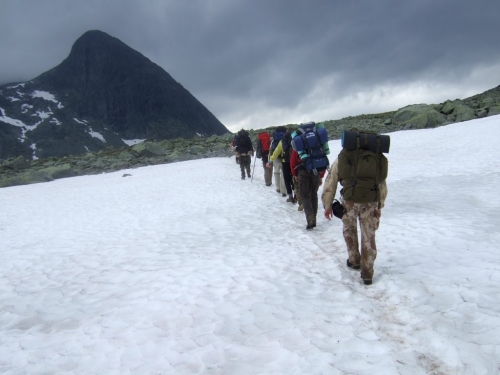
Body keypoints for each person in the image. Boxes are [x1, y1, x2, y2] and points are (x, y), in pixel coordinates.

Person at [321, 157, 388, 285]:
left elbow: (331, 181)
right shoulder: (375, 155)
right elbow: (381, 182)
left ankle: (354, 260)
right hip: (370, 200)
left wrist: (328, 205)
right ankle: (367, 273)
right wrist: (380, 204)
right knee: (369, 234)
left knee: (349, 228)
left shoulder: (344, 156)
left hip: (349, 200)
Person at [290, 148, 325, 229]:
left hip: (303, 171)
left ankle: (310, 219)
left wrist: (294, 174)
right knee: (313, 194)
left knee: (305, 196)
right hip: (315, 171)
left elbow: (293, 161)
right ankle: (314, 219)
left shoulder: (298, 142)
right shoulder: (316, 141)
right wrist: (321, 175)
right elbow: (322, 157)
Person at [268, 126, 287, 195]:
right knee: (283, 173)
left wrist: (270, 159)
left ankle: (278, 188)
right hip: (284, 157)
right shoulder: (286, 137)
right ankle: (284, 191)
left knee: (276, 172)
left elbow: (271, 148)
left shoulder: (275, 137)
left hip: (276, 156)